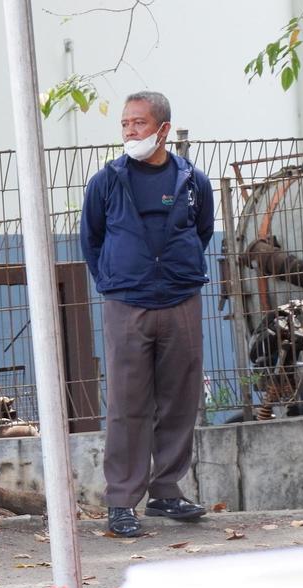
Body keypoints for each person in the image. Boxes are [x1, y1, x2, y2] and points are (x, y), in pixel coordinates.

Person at [80, 90, 213, 538]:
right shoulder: (107, 181)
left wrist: (175, 272)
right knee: (126, 404)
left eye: (138, 123)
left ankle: (167, 492)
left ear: (163, 130)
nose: (129, 131)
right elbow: (92, 240)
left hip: (180, 300)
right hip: (127, 303)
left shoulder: (193, 181)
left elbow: (202, 231)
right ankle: (121, 501)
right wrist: (115, 281)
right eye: (124, 124)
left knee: (180, 399)